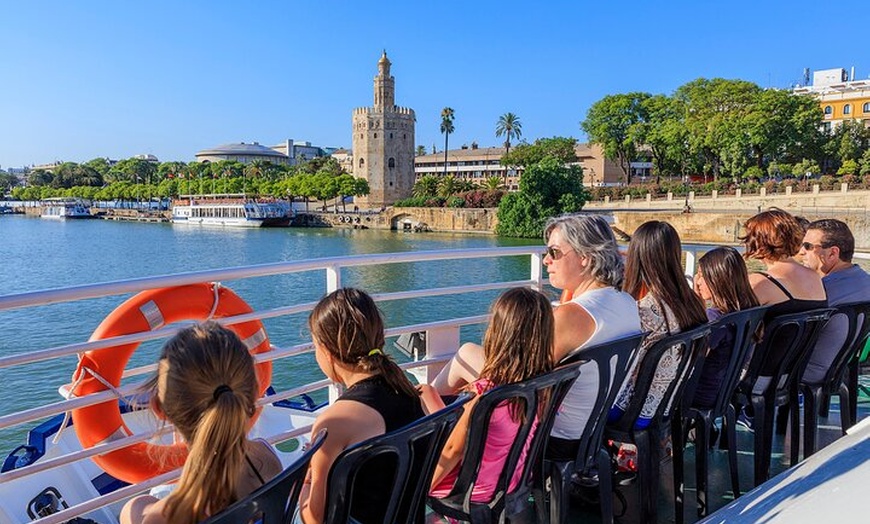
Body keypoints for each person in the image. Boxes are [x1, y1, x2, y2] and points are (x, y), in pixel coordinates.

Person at [431, 214, 641, 461]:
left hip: (554, 436)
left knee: (466, 353)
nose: (546, 261)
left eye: (554, 252)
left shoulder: (571, 316)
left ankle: (423, 422)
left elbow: (519, 378)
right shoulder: (626, 302)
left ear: (585, 257)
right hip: (592, 428)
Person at [121, 322, 282, 524]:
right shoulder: (266, 459)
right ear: (252, 393)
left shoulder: (161, 518)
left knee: (134, 507)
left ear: (159, 409)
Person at [299, 287, 424, 524]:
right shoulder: (407, 391)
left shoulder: (335, 423)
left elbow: (313, 519)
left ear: (327, 352)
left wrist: (305, 477)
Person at [420, 287, 554, 502]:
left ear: (497, 332)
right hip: (513, 478)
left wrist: (418, 490)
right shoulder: (545, 385)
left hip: (474, 489)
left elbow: (454, 449)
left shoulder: (486, 398)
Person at [611, 220, 708, 427]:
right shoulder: (692, 302)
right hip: (667, 407)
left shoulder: (643, 311)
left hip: (633, 412)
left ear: (637, 257)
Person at [740, 209, 827, 386]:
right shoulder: (815, 277)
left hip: (758, 378)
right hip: (791, 377)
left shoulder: (760, 282)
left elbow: (729, 325)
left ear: (759, 243)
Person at [799, 219, 870, 383]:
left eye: (808, 246)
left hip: (807, 372)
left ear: (832, 253)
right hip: (843, 369)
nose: (801, 251)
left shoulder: (820, 292)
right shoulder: (866, 282)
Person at [691, 247, 761, 408]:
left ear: (717, 279)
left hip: (700, 394)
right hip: (725, 390)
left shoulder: (716, 319)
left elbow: (693, 357)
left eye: (702, 275)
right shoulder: (746, 311)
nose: (697, 281)